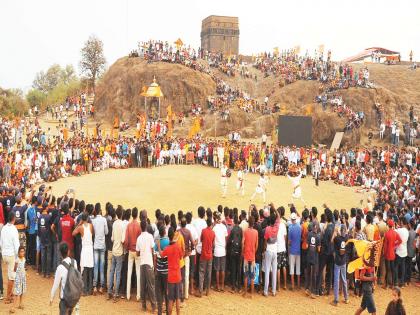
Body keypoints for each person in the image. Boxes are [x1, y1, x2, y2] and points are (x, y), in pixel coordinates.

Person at [159, 227, 183, 315]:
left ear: (168, 236)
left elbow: (161, 255)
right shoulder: (177, 246)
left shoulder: (167, 248)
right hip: (178, 276)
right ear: (173, 236)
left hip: (171, 277)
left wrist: (158, 245)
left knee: (170, 300)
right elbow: (181, 257)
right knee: (178, 299)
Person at [50, 242, 78, 315]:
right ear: (68, 251)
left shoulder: (60, 268)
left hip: (64, 299)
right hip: (72, 298)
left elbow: (55, 285)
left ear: (60, 253)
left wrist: (51, 298)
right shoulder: (74, 262)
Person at [136, 220, 156, 312]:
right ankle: (153, 306)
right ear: (147, 227)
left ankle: (143, 305)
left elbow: (137, 253)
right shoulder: (150, 236)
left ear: (141, 227)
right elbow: (153, 250)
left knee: (142, 285)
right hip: (149, 263)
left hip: (142, 263)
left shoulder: (139, 238)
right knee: (151, 285)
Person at [72, 213, 94, 295]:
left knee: (84, 268)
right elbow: (93, 233)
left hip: (85, 249)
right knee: (90, 268)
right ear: (88, 218)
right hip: (90, 248)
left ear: (82, 219)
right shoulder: (91, 226)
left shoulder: (80, 227)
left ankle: (84, 290)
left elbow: (73, 233)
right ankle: (90, 289)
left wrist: (79, 223)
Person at [0, 212, 20, 304]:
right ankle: (8, 297)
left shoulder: (3, 228)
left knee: (10, 274)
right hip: (11, 254)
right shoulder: (14, 229)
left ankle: (10, 294)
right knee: (11, 276)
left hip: (4, 254)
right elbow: (17, 245)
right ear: (13, 219)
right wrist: (18, 257)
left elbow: (1, 242)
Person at [123, 207, 141, 301]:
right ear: (137, 214)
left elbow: (126, 241)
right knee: (138, 272)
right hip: (137, 251)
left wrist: (127, 248)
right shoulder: (139, 225)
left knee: (129, 272)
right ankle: (138, 296)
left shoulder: (129, 225)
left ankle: (128, 295)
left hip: (130, 250)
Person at [91, 203, 108, 295]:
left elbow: (93, 233)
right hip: (102, 245)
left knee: (96, 265)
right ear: (100, 210)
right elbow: (106, 232)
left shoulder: (93, 221)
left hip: (96, 245)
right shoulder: (104, 219)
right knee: (101, 266)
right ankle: (101, 286)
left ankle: (94, 287)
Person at [108, 208, 124, 302]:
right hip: (119, 252)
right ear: (121, 214)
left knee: (112, 272)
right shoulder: (122, 225)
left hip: (114, 250)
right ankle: (116, 294)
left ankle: (109, 292)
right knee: (118, 274)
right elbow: (123, 240)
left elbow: (112, 238)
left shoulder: (114, 223)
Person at [331, 225, 349, 306]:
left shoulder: (337, 239)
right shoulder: (347, 238)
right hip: (344, 261)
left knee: (337, 280)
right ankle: (346, 298)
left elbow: (332, 240)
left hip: (338, 261)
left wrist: (335, 231)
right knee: (344, 280)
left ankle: (336, 300)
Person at [154, 225, 170, 315]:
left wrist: (155, 269)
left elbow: (155, 257)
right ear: (164, 232)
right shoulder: (168, 242)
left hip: (159, 270)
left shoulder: (157, 243)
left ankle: (160, 312)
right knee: (167, 292)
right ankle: (168, 311)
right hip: (167, 271)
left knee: (159, 293)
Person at [197, 218, 215, 297]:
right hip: (210, 255)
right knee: (208, 273)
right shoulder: (213, 233)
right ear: (211, 224)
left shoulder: (203, 231)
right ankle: (207, 290)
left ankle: (200, 291)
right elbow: (213, 244)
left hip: (203, 254)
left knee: (201, 272)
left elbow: (201, 240)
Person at [242, 215, 258, 298]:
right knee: (252, 276)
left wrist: (243, 252)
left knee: (245, 275)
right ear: (254, 223)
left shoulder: (245, 231)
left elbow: (242, 243)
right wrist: (254, 252)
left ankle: (245, 293)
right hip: (252, 257)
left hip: (246, 256)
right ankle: (251, 294)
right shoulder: (256, 232)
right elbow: (256, 245)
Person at [382, 219, 401, 289]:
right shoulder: (395, 233)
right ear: (393, 225)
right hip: (393, 253)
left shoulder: (387, 234)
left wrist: (384, 253)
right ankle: (392, 284)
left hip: (387, 253)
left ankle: (386, 285)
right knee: (392, 269)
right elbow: (400, 241)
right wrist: (394, 245)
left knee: (387, 269)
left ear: (388, 225)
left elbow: (385, 246)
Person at [263, 213, 278, 296]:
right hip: (275, 251)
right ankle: (274, 291)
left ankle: (265, 291)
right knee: (274, 271)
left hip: (268, 250)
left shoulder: (267, 229)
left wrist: (264, 250)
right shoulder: (276, 228)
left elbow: (265, 241)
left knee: (267, 271)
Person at [212, 212, 228, 292]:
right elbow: (226, 238)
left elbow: (213, 241)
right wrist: (224, 247)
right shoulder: (224, 227)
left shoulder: (214, 228)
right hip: (222, 250)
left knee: (217, 269)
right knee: (223, 269)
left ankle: (218, 286)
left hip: (217, 250)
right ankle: (222, 286)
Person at [10, 246, 26, 313]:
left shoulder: (24, 259)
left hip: (23, 277)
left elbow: (24, 267)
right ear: (19, 252)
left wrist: (24, 273)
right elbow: (14, 269)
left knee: (22, 290)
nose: (22, 253)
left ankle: (20, 304)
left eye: (23, 251)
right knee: (17, 293)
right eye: (21, 251)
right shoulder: (17, 260)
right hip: (18, 278)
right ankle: (13, 307)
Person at [288, 212, 301, 290]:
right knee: (298, 268)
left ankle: (292, 286)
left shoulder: (290, 228)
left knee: (292, 268)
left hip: (292, 250)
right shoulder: (299, 227)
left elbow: (289, 241)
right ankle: (298, 286)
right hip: (298, 250)